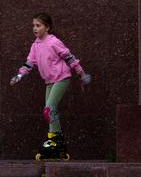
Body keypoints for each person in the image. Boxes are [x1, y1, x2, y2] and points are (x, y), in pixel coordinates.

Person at [9, 13, 92, 161]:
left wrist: (82, 74)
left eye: (38, 25)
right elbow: (29, 63)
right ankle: (56, 143)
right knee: (48, 112)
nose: (35, 28)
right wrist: (19, 76)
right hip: (49, 81)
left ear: (47, 27)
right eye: (33, 25)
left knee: (50, 109)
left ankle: (56, 144)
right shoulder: (35, 45)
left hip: (62, 77)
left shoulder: (54, 42)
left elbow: (70, 58)